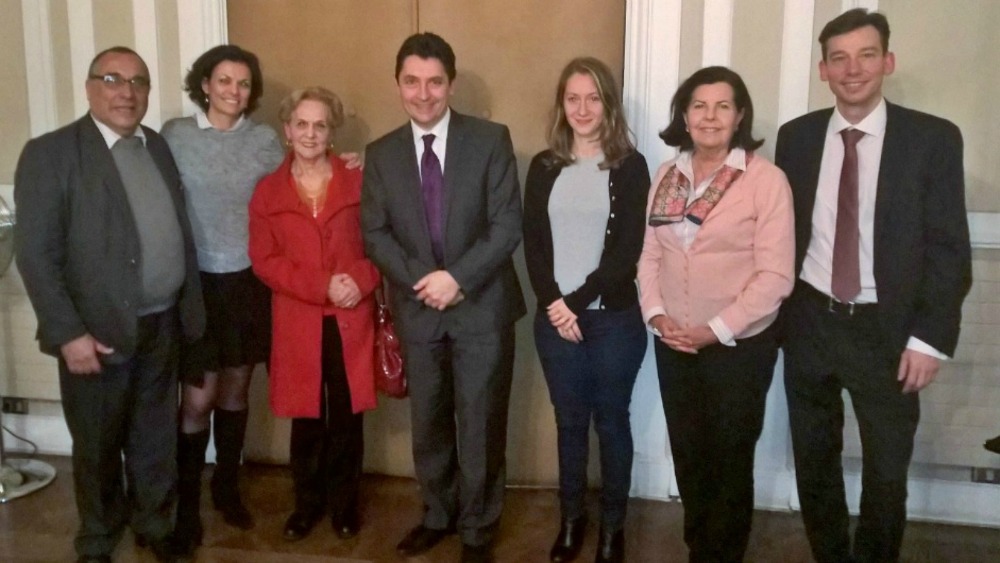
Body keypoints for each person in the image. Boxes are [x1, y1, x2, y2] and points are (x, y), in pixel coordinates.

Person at [774, 9, 972, 563]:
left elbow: (949, 248)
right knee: (814, 462)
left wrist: (929, 340)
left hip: (889, 332)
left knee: (886, 472)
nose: (852, 69)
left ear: (888, 61)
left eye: (865, 55)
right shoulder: (797, 138)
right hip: (810, 323)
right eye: (838, 58)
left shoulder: (932, 139)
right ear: (823, 69)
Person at [13, 46, 205, 563]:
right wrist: (67, 333)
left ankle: (154, 522)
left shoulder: (155, 145)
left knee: (155, 436)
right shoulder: (51, 154)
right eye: (113, 79)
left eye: (138, 82)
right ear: (90, 87)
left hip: (161, 322)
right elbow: (36, 255)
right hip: (95, 332)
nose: (127, 92)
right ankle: (98, 535)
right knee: (97, 443)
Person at [360, 32, 525, 563]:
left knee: (480, 425)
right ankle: (437, 515)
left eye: (434, 82)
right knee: (428, 423)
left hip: (482, 307)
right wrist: (423, 281)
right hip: (418, 310)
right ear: (398, 84)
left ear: (450, 84)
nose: (423, 94)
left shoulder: (490, 140)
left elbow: (506, 225)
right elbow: (375, 234)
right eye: (412, 81)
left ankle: (477, 529)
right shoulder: (381, 154)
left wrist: (456, 278)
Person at [637, 66, 794, 562]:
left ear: (740, 115)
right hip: (674, 343)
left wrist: (715, 329)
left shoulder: (765, 180)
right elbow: (650, 254)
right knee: (688, 454)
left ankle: (722, 555)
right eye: (699, 106)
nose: (710, 116)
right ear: (684, 115)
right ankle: (699, 549)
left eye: (722, 106)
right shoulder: (668, 175)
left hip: (738, 346)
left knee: (729, 461)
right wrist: (656, 315)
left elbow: (776, 276)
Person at [523, 57, 649, 563]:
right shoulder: (543, 165)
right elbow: (533, 243)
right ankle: (572, 520)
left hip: (613, 321)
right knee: (569, 423)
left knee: (612, 422)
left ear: (608, 104)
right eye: (573, 98)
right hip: (555, 321)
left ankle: (613, 530)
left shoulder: (631, 166)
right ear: (562, 104)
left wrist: (572, 303)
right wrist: (554, 305)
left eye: (593, 98)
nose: (582, 108)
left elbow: (628, 251)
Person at [160, 44, 284, 554]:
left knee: (235, 390)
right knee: (197, 399)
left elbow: (299, 183)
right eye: (225, 80)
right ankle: (186, 505)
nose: (235, 91)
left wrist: (348, 163)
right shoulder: (175, 135)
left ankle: (227, 488)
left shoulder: (265, 140)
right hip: (197, 285)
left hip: (248, 284)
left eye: (244, 83)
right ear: (205, 85)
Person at [249, 86, 380, 543]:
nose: (310, 133)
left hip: (350, 316)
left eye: (320, 125)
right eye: (301, 124)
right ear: (286, 130)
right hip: (298, 320)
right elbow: (264, 260)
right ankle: (306, 505)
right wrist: (321, 284)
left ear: (332, 130)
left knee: (347, 416)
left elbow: (384, 242)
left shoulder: (360, 180)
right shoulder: (267, 191)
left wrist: (360, 279)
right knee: (305, 418)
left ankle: (344, 504)